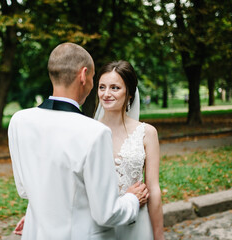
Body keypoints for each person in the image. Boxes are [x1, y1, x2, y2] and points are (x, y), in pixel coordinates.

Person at [8, 43, 149, 240]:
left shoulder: (19, 121)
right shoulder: (94, 132)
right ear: (83, 76)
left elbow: (25, 189)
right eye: (93, 79)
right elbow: (106, 213)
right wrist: (132, 199)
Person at [94, 60, 165, 240]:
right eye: (102, 87)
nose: (106, 94)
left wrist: (159, 236)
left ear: (130, 94)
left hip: (137, 226)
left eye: (115, 88)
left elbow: (154, 189)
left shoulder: (147, 133)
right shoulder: (89, 132)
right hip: (99, 226)